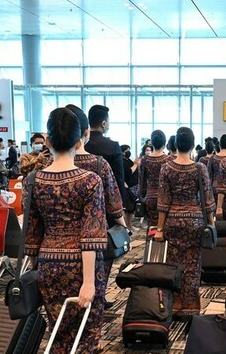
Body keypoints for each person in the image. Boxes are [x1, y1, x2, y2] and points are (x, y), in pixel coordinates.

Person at [24, 107, 108, 354]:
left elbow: (33, 234)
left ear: (47, 140)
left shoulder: (34, 180)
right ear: (79, 140)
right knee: (84, 337)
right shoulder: (90, 180)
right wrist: (88, 282)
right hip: (81, 267)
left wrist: (34, 271)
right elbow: (91, 235)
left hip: (48, 264)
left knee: (59, 336)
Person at [67, 104, 128, 309]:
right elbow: (118, 184)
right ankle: (97, 298)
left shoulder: (49, 165)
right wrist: (123, 222)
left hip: (58, 238)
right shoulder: (107, 152)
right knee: (100, 265)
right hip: (100, 222)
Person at [155, 127, 215, 324]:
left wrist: (160, 229)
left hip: (173, 221)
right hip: (195, 222)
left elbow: (163, 201)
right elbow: (207, 199)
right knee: (193, 266)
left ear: (175, 144)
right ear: (192, 144)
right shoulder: (200, 168)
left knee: (173, 265)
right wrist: (211, 224)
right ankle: (190, 308)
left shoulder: (166, 168)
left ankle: (174, 305)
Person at [87, 104, 127, 210]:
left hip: (84, 196)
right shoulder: (113, 146)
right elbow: (119, 178)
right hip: (106, 200)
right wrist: (122, 204)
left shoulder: (81, 145)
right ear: (103, 123)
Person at [141, 130, 171, 228]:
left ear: (152, 143)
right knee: (165, 226)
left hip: (150, 196)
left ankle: (150, 237)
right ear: (165, 143)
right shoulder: (169, 160)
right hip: (166, 197)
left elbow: (141, 181)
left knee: (151, 225)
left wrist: (143, 197)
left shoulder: (144, 159)